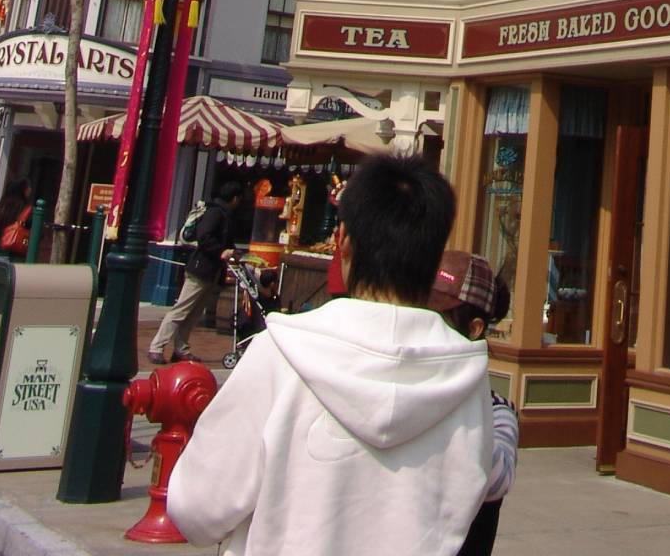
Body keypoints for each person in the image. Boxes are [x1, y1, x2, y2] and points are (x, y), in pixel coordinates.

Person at [167, 156, 494, 556]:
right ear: (433, 255)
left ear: (343, 243)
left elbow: (198, 507)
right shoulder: (466, 377)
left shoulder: (282, 353)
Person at [430, 253, 517, 556]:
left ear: (475, 328)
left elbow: (495, 479)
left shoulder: (497, 413)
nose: (425, 325)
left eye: (437, 316)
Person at [148, 178, 242, 364]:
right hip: (200, 269)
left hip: (212, 272)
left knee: (194, 313)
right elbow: (204, 237)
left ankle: (181, 348)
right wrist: (221, 251)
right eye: (239, 198)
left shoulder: (226, 215)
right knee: (181, 310)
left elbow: (223, 241)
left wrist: (232, 252)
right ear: (233, 198)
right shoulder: (216, 213)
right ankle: (156, 347)